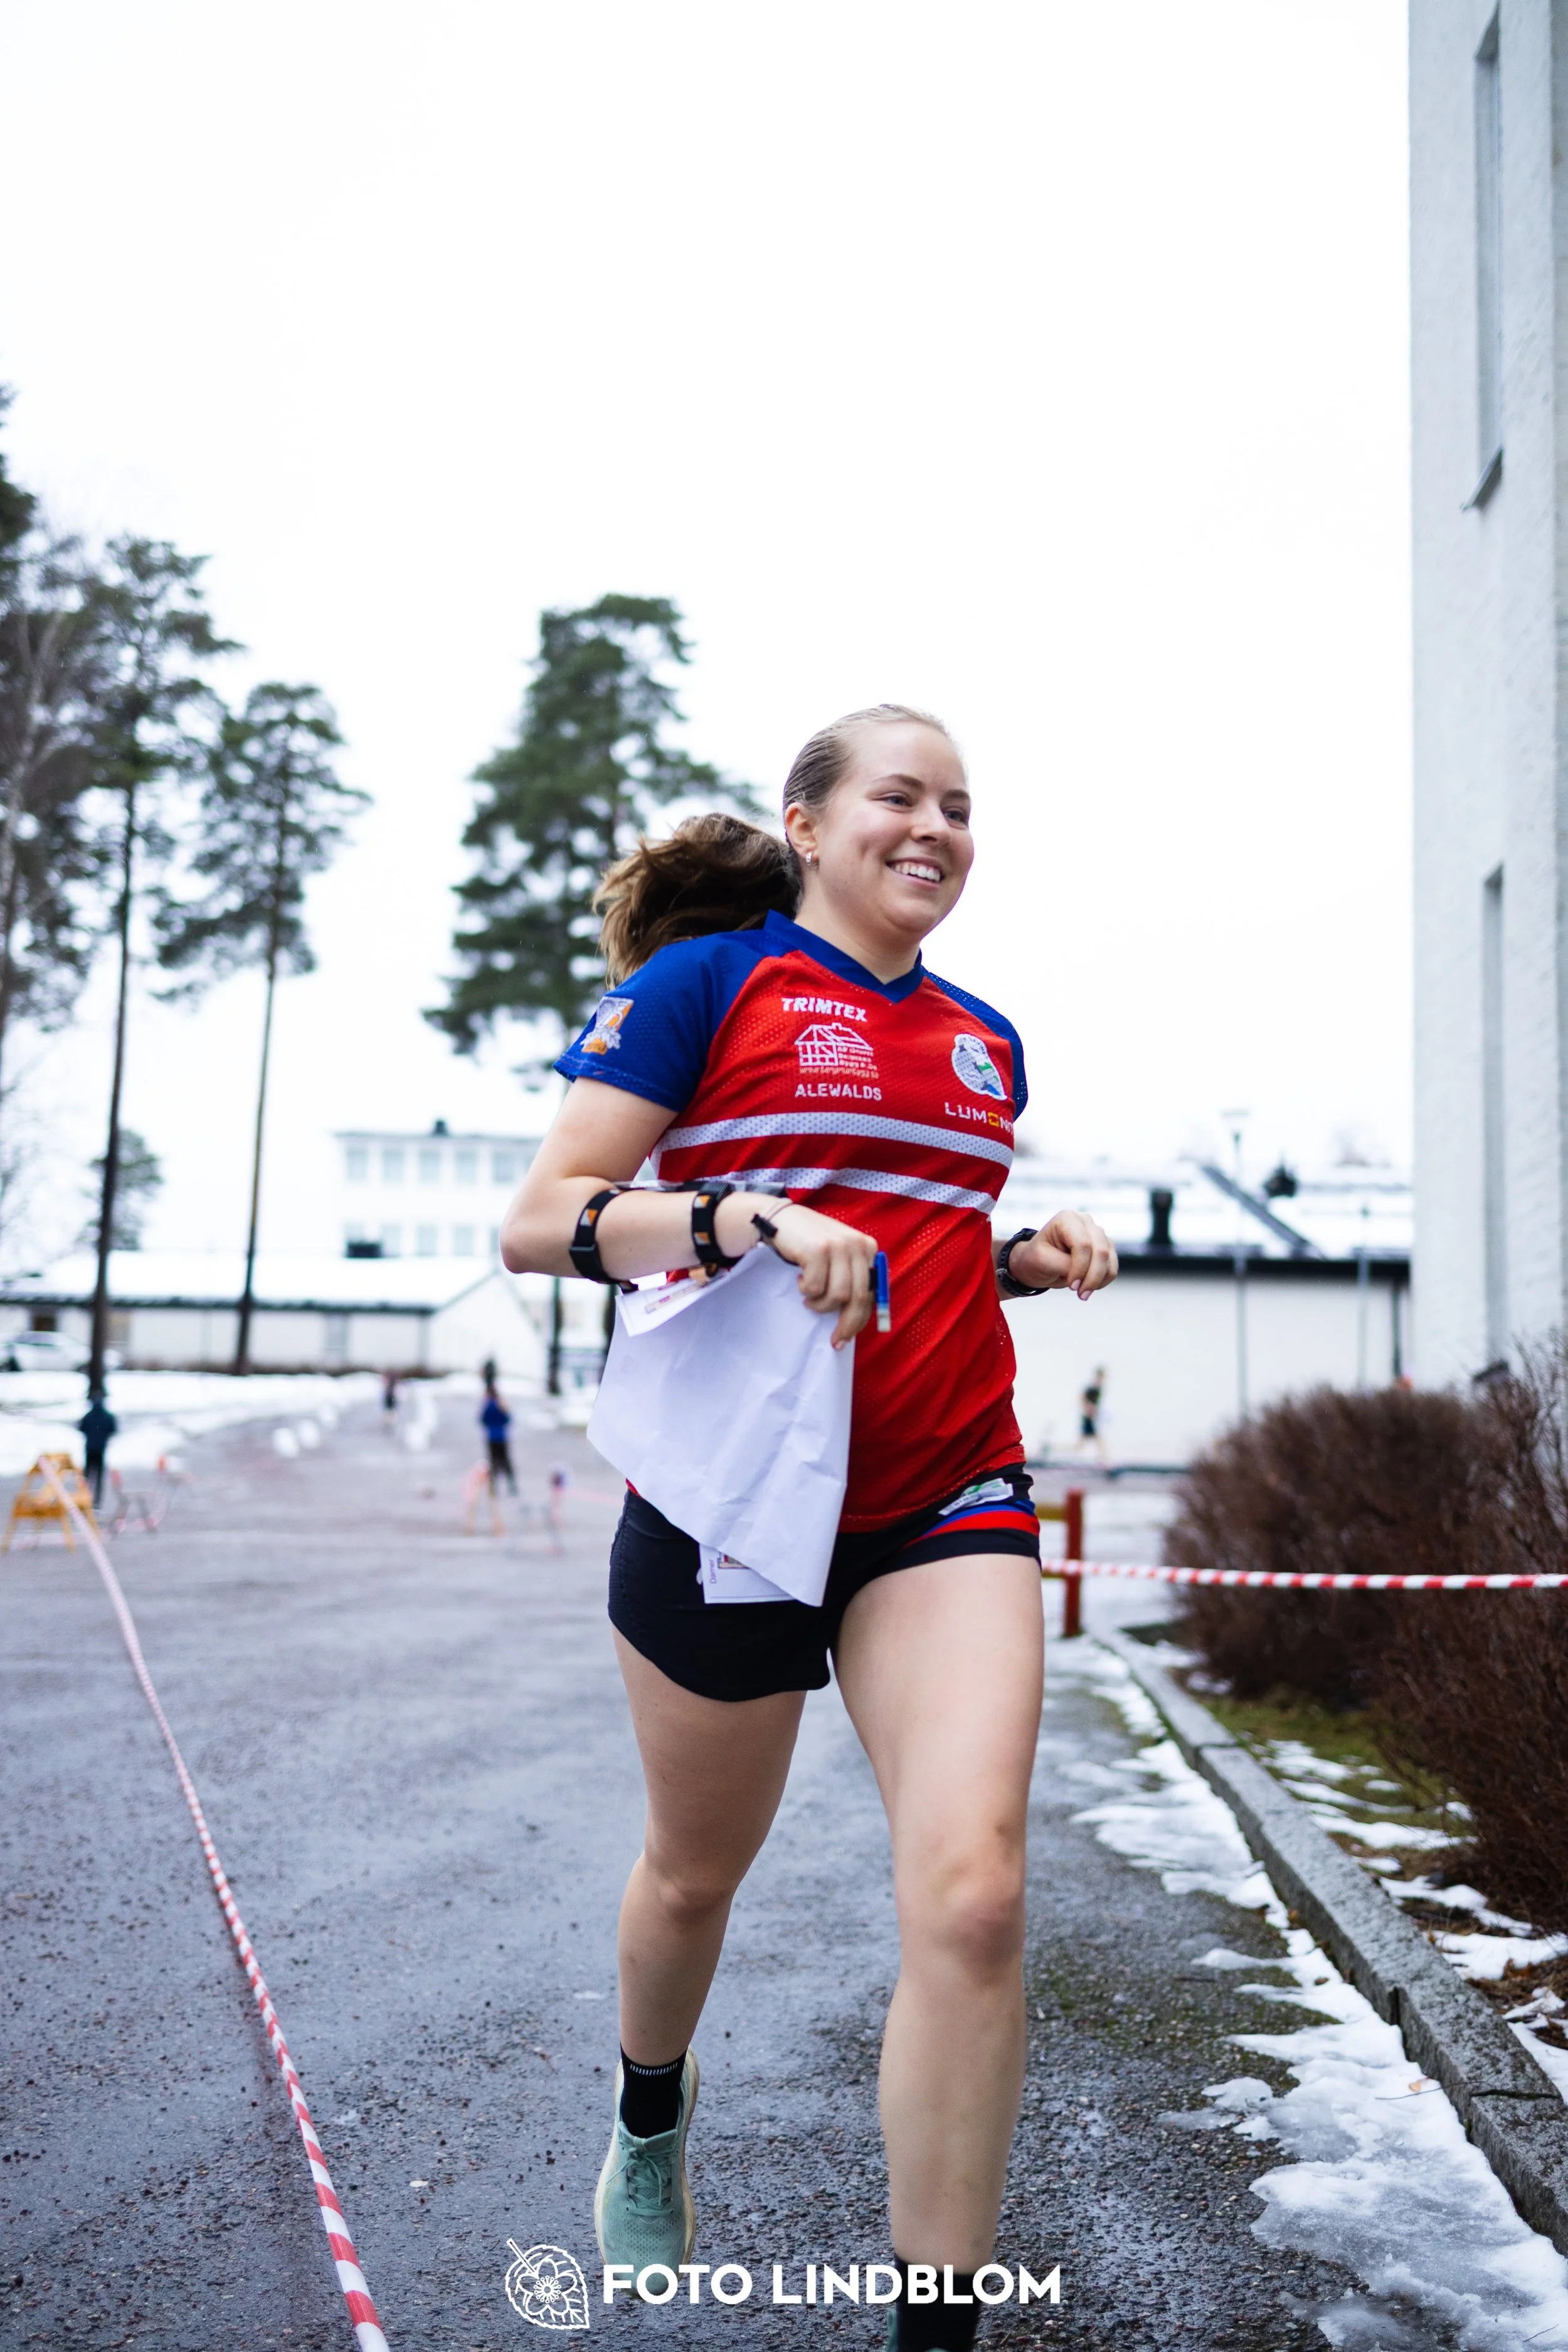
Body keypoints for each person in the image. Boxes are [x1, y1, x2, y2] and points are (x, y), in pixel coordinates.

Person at [502, 706, 1117, 2351]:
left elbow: (896, 1252)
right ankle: (648, 2109)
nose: (935, 827)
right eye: (899, 797)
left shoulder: (984, 1039)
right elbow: (542, 1215)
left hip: (943, 1495)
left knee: (976, 1895)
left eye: (961, 807)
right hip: (731, 1501)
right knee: (696, 1876)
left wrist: (1013, 1257)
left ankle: (935, 2329)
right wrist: (738, 1211)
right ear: (811, 822)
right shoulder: (714, 986)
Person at [78, 1390, 117, 1509]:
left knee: (87, 1476)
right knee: (99, 1477)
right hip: (101, 1449)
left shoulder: (88, 1416)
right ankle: (97, 1501)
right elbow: (113, 1429)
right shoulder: (107, 1416)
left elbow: (81, 1428)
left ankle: (85, 1498)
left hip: (90, 1448)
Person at [480, 1379, 516, 1495]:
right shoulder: (501, 1404)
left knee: (493, 1462)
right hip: (502, 1437)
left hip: (491, 1437)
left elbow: (483, 1420)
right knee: (506, 1462)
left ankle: (494, 1488)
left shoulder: (487, 1405)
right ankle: (512, 1486)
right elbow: (508, 1419)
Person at [1074, 1367, 1108, 1465]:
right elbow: (1081, 1398)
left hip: (1091, 1419)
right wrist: (1088, 1408)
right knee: (1098, 1443)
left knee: (1079, 1446)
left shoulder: (1098, 1390)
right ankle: (1105, 1464)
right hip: (1088, 1420)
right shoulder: (1092, 1389)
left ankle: (1105, 1463)